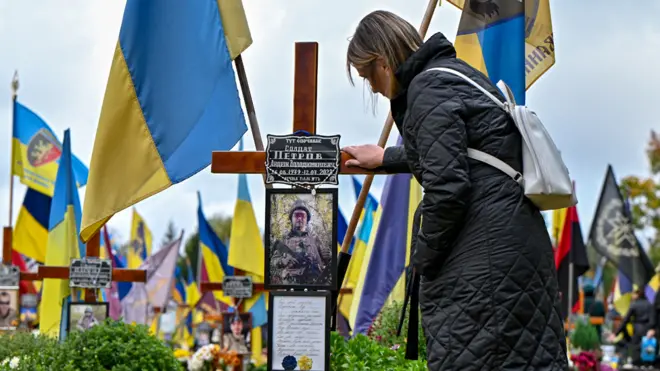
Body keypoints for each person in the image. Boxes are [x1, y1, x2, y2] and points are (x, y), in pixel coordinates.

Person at [343, 10, 567, 370]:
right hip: (511, 246)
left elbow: (448, 186)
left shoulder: (427, 89)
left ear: (382, 62)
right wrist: (385, 157)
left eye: (366, 74)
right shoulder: (453, 76)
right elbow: (460, 152)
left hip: (483, 262)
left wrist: (424, 260)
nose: (370, 86)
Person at [271, 200, 331, 285]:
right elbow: (274, 260)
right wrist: (283, 261)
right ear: (291, 219)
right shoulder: (284, 239)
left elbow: (326, 260)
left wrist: (329, 256)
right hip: (291, 285)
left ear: (307, 220)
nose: (299, 219)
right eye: (297, 215)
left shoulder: (315, 238)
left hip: (315, 284)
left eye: (302, 216)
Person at [610, 288, 655, 365]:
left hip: (637, 330)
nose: (632, 295)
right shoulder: (650, 304)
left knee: (636, 352)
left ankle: (636, 365)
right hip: (648, 331)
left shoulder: (634, 305)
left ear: (637, 294)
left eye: (633, 294)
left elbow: (625, 320)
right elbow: (653, 320)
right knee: (648, 352)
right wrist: (652, 329)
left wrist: (615, 333)